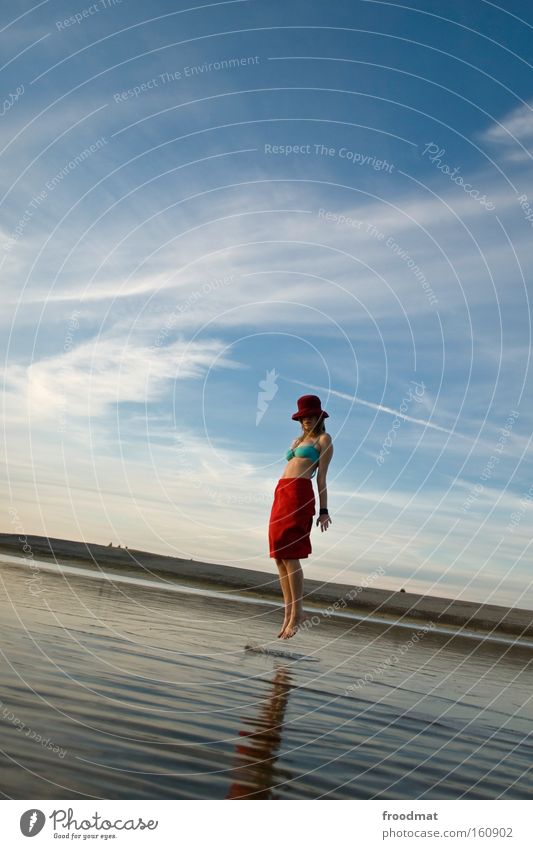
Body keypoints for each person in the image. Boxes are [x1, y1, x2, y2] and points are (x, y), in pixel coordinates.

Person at [268, 395, 333, 639]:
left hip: (299, 494)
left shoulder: (324, 440)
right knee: (279, 555)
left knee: (291, 553)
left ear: (319, 417)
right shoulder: (297, 440)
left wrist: (323, 511)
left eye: (311, 416)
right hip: (281, 493)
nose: (307, 420)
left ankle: (298, 613)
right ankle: (288, 614)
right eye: (303, 417)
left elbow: (322, 478)